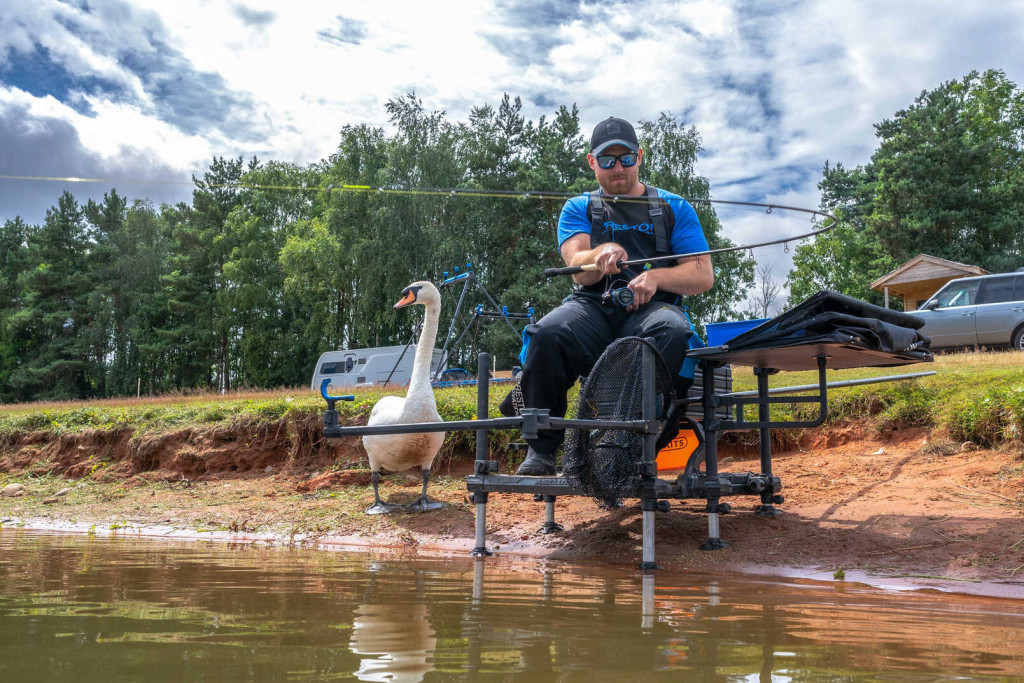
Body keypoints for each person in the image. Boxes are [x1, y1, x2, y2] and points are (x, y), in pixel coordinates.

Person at [510, 116, 714, 476]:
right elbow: (577, 265)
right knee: (547, 333)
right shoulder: (578, 207)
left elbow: (702, 274)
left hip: (654, 310)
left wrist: (656, 278)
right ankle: (542, 450)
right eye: (607, 160)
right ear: (592, 162)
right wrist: (599, 255)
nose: (617, 167)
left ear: (639, 157)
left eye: (626, 158)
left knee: (674, 332)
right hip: (592, 307)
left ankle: (634, 446)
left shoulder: (675, 207)